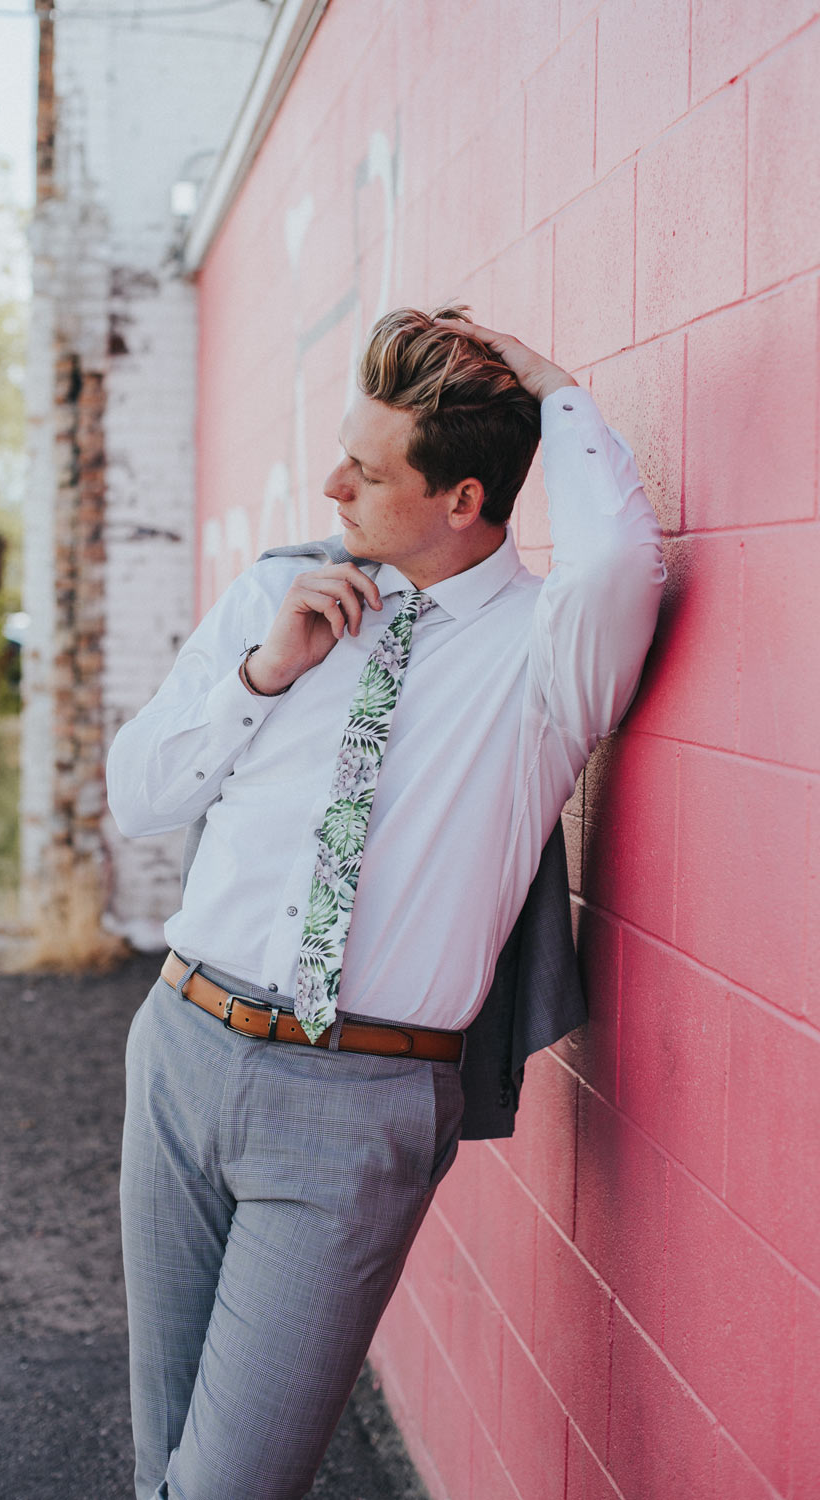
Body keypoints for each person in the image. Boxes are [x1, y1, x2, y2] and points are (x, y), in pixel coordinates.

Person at [105, 306, 666, 1500]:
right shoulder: (277, 596)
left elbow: (620, 560)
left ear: (463, 500)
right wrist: (264, 674)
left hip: (356, 1104)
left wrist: (553, 384)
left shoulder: (544, 658)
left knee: (226, 1487)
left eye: (368, 468)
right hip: (180, 1050)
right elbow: (139, 796)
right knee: (159, 1463)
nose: (331, 482)